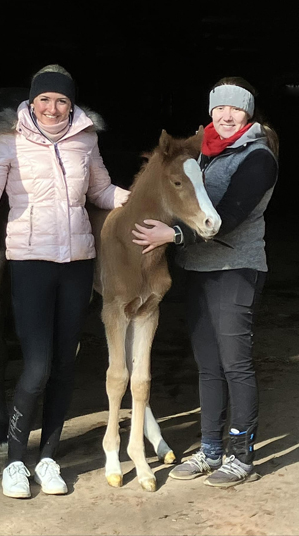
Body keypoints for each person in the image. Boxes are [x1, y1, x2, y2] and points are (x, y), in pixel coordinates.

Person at [0, 64, 130, 498]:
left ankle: (48, 457)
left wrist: (141, 200)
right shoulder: (7, 141)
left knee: (66, 364)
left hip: (77, 263)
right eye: (44, 100)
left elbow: (102, 193)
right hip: (31, 263)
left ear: (72, 105)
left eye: (61, 101)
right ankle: (15, 459)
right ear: (31, 104)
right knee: (37, 367)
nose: (52, 108)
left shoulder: (86, 140)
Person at [132, 76, 279, 488]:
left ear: (248, 112)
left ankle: (240, 453)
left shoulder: (258, 157)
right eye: (220, 108)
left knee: (235, 364)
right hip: (197, 268)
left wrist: (173, 235)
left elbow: (230, 215)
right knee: (209, 366)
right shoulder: (201, 153)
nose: (227, 115)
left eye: (236, 108)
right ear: (211, 111)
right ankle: (210, 448)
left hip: (236, 270)